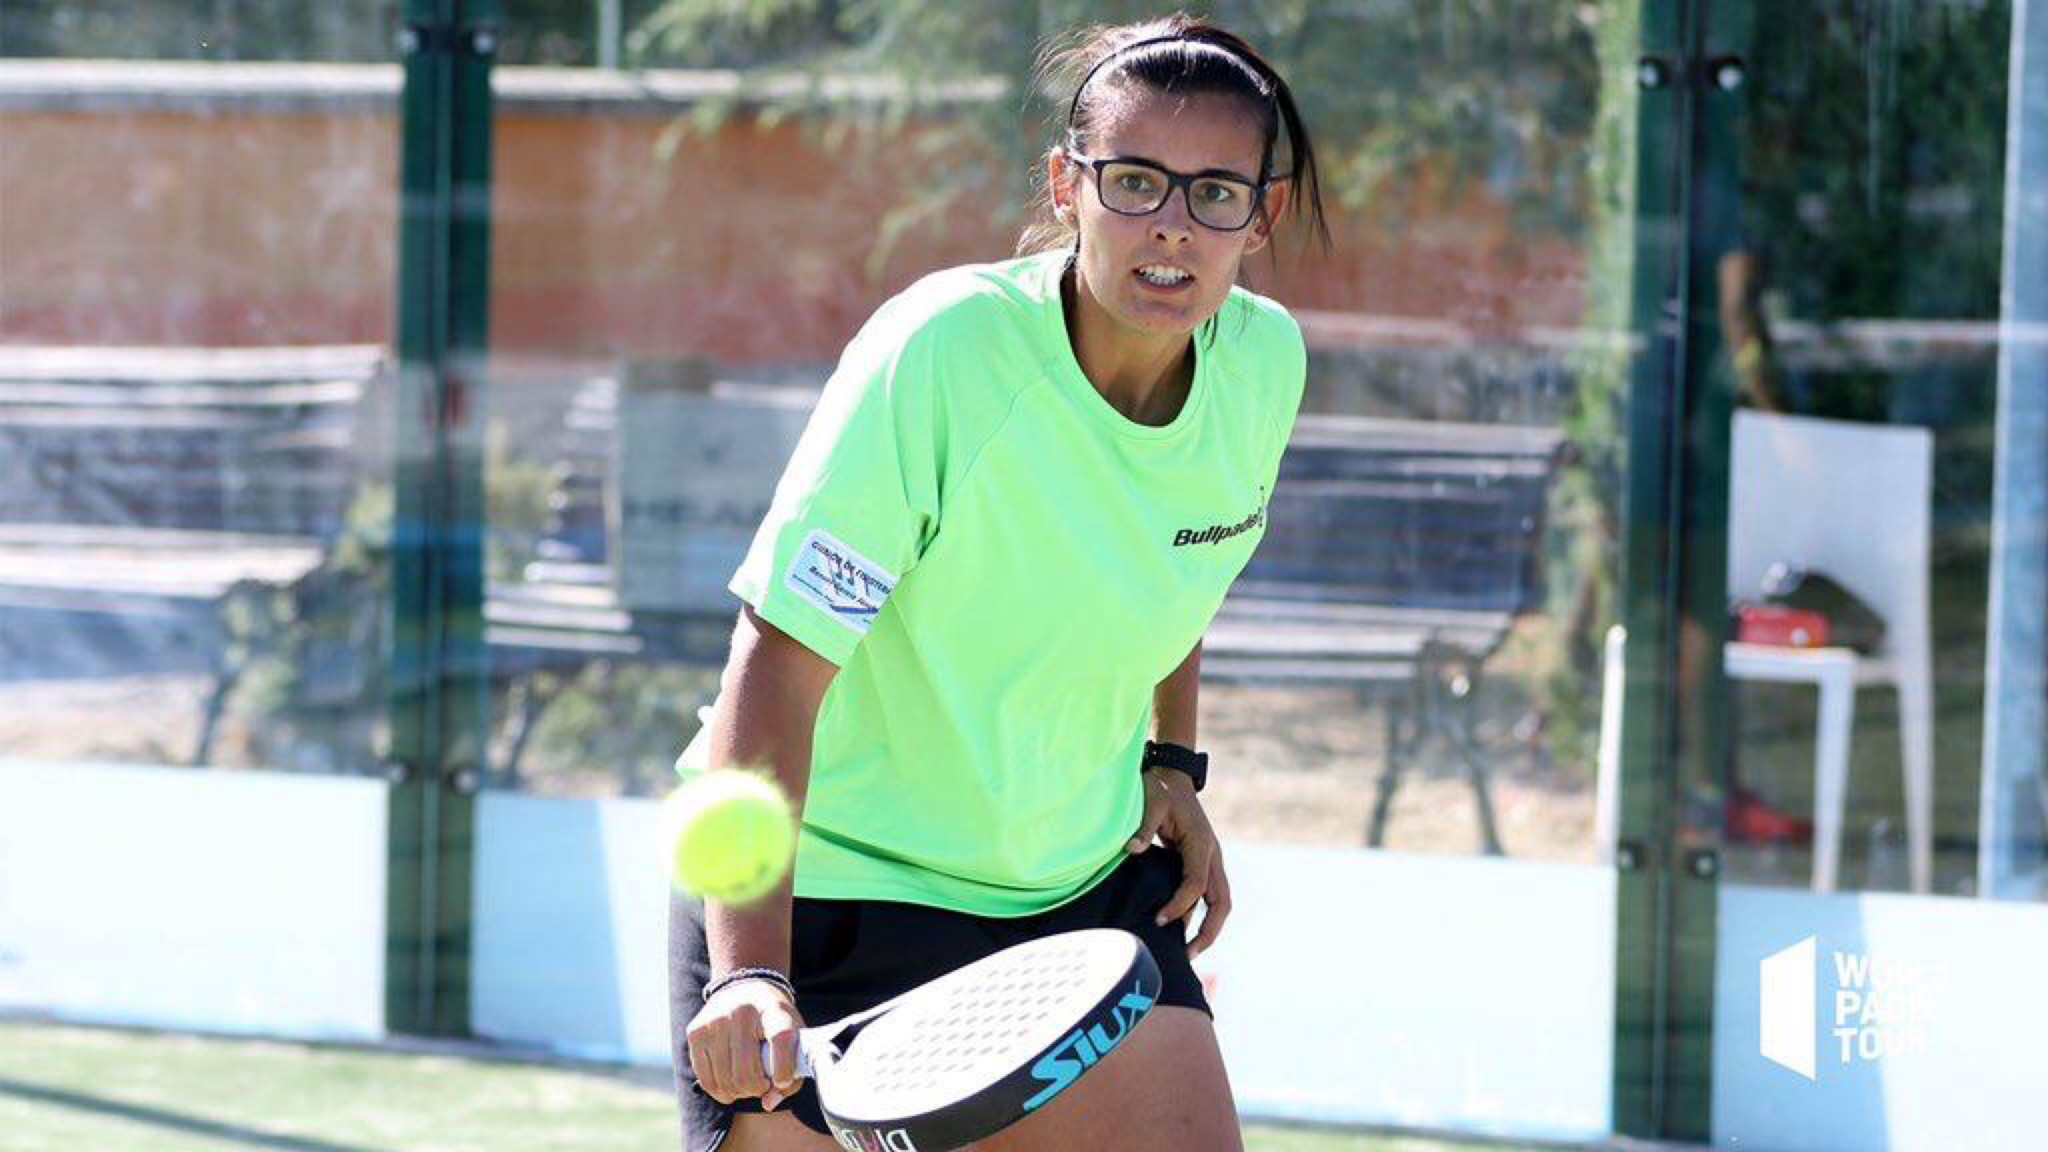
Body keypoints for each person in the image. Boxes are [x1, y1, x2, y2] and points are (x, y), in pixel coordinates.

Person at [669, 14, 1328, 1151]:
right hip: (825, 897)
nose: (1171, 226)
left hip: (1082, 899)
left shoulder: (1263, 364)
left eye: (1215, 193)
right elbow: (774, 665)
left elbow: (1176, 561)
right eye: (1134, 181)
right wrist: (750, 972)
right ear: (1067, 185)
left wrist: (1171, 763)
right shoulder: (941, 353)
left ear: (1258, 217)